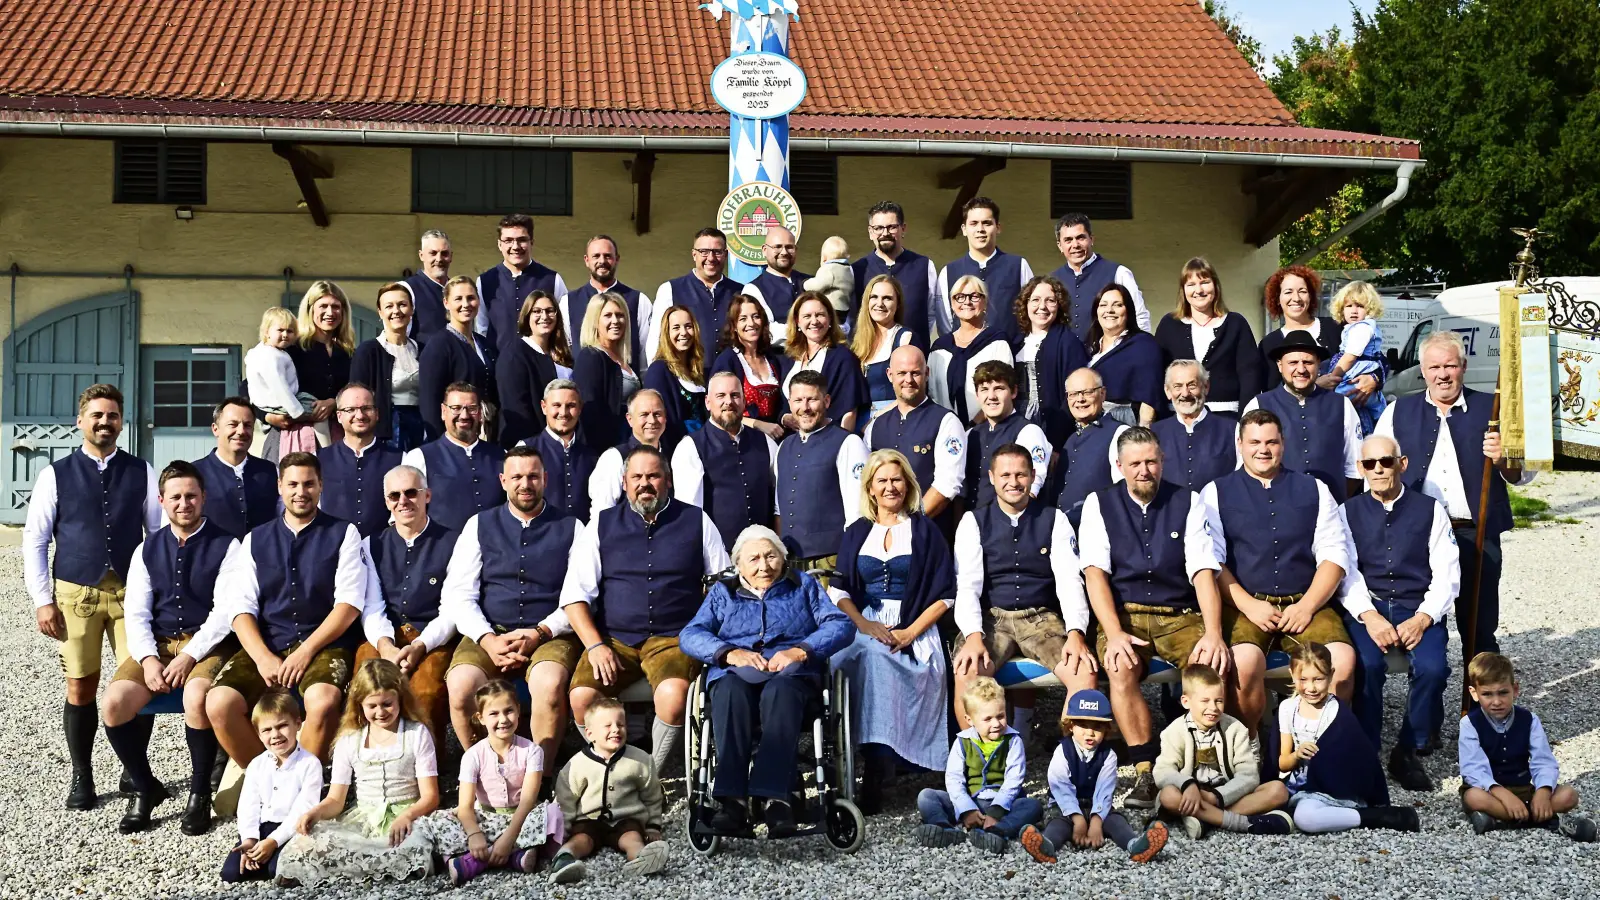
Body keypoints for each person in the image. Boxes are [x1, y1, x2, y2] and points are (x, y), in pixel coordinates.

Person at [23, 383, 161, 809]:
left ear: (122, 422)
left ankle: (132, 769)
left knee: (137, 685)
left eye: (113, 416)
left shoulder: (142, 470)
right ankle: (82, 776)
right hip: (74, 593)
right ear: (80, 421)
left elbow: (157, 536)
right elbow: (35, 540)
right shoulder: (55, 473)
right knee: (81, 687)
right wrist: (42, 599)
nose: (105, 422)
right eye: (97, 416)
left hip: (128, 594)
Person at [1079, 427, 1230, 810]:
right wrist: (1113, 634)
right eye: (1135, 464)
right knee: (1118, 666)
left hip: (1177, 612)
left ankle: (1200, 769)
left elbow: (1202, 572)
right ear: (1120, 466)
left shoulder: (1189, 501)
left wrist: (1212, 633)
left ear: (1162, 461)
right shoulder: (1099, 504)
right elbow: (1095, 574)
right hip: (1125, 612)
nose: (1143, 470)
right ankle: (1145, 768)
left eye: (1150, 461)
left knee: (1207, 667)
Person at [560, 445, 732, 777]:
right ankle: (612, 770)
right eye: (636, 477)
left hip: (674, 637)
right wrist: (595, 646)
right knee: (581, 696)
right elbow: (574, 597)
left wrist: (706, 632)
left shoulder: (697, 520)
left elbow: (722, 587)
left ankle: (647, 777)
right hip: (614, 640)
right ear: (624, 482)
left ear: (667, 480)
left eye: (653, 475)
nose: (645, 483)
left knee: (673, 695)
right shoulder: (601, 525)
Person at [680, 525, 856, 834]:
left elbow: (841, 625)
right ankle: (732, 801)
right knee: (729, 690)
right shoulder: (724, 593)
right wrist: (727, 653)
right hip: (736, 674)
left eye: (771, 556)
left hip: (791, 677)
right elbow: (691, 635)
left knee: (781, 691)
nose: (764, 565)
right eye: (754, 559)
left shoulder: (803, 586)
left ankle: (776, 799)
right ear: (739, 565)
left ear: (783, 558)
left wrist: (800, 651)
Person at [1375, 329, 1528, 671]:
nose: (1442, 374)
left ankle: (1480, 711)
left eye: (1450, 366)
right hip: (1419, 537)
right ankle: (1427, 716)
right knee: (1427, 628)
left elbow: (1523, 474)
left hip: (1477, 532)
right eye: (1434, 367)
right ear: (1422, 370)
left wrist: (1506, 458)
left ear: (1464, 366)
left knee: (1479, 627)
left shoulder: (1493, 407)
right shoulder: (1398, 412)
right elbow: (1377, 467)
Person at [203, 452, 368, 765]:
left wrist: (306, 651)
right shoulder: (256, 539)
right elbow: (240, 608)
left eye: (309, 484)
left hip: (324, 644)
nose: (300, 491)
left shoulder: (344, 533)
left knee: (322, 700)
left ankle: (306, 779)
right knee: (218, 702)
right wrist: (263, 656)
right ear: (280, 486)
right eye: (292, 484)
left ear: (321, 486)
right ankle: (266, 776)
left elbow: (349, 605)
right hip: (271, 641)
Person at [101, 461, 239, 834]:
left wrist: (191, 655)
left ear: (203, 497)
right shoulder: (146, 549)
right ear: (161, 500)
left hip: (207, 644)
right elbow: (136, 611)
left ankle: (198, 794)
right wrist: (147, 659)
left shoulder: (228, 545)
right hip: (158, 644)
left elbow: (225, 612)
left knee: (197, 695)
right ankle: (146, 788)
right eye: (175, 496)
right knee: (113, 703)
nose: (184, 503)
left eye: (191, 495)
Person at [1201, 409, 1356, 735]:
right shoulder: (1215, 493)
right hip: (1246, 603)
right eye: (1254, 442)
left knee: (1340, 660)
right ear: (1240, 444)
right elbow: (1212, 562)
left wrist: (1307, 606)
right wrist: (1248, 605)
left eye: (1271, 441)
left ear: (1283, 444)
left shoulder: (1315, 489)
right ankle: (1250, 745)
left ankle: (1320, 745)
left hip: (1304, 601)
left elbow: (1334, 556)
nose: (1263, 449)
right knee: (1243, 664)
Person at [441, 448, 584, 770]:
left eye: (533, 476)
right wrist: (487, 638)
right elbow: (458, 594)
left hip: (549, 632)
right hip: (490, 629)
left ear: (545, 479)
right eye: (517, 477)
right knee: (461, 685)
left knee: (548, 685)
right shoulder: (479, 524)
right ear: (503, 481)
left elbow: (580, 594)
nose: (525, 484)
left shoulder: (572, 527)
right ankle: (485, 770)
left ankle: (540, 777)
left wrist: (540, 632)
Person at [828, 450, 954, 807]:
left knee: (878, 657)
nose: (890, 487)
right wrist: (864, 623)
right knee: (858, 656)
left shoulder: (924, 531)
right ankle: (866, 756)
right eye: (881, 481)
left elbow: (946, 594)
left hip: (913, 623)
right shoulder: (857, 532)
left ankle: (878, 766)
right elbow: (838, 589)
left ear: (908, 484)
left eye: (896, 479)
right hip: (864, 622)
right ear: (870, 488)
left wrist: (910, 632)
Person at [952, 444, 1096, 738]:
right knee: (967, 673)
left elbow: (1070, 581)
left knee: (1084, 672)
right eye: (1005, 474)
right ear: (992, 477)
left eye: (1020, 474)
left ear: (1032, 475)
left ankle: (1070, 759)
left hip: (1040, 618)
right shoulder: (973, 522)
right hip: (992, 618)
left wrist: (1076, 633)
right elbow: (967, 585)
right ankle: (984, 765)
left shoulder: (1055, 519)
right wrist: (973, 636)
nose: (1013, 482)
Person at [1340, 435, 1458, 791]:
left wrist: (1423, 618)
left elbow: (1448, 573)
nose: (1378, 470)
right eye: (1369, 464)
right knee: (1367, 665)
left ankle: (1409, 747)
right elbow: (1345, 571)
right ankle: (1367, 747)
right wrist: (1368, 616)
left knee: (1433, 668)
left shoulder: (1431, 510)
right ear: (1360, 469)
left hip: (1416, 604)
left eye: (1385, 462)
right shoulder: (1347, 511)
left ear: (1401, 464)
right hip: (1369, 605)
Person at [274, 659, 440, 886]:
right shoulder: (349, 740)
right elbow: (335, 799)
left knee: (414, 846)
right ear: (359, 704)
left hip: (407, 816)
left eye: (387, 704)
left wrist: (408, 815)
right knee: (302, 846)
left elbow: (430, 796)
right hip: (363, 818)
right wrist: (316, 813)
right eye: (372, 706)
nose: (380, 712)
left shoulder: (416, 734)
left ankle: (377, 866)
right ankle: (375, 867)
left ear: (400, 699)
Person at [357, 465, 460, 743]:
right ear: (386, 502)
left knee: (425, 694)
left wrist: (420, 646)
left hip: (432, 639)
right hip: (385, 636)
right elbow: (372, 605)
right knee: (367, 689)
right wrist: (386, 646)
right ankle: (371, 763)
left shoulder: (454, 542)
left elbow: (452, 609)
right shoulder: (371, 544)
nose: (403, 501)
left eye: (411, 492)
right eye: (394, 496)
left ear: (427, 495)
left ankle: (428, 772)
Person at [1275, 642, 1419, 834]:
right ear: (1292, 675)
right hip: (1300, 785)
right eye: (1303, 679)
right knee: (1269, 798)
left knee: (1305, 819)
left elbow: (1358, 756)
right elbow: (1282, 763)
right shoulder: (1287, 708)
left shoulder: (1336, 712)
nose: (1311, 687)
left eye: (1318, 679)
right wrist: (1297, 755)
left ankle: (1379, 817)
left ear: (1331, 675)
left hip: (1334, 788)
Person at [1019, 690, 1169, 864]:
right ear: (1070, 726)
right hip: (1065, 807)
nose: (1089, 733)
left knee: (1116, 821)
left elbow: (1104, 791)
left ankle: (1135, 845)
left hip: (1096, 805)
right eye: (1083, 725)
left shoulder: (1109, 755)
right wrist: (1077, 819)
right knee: (1057, 824)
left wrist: (1096, 823)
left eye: (1097, 727)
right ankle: (1047, 846)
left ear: (1107, 729)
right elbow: (1060, 787)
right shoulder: (1062, 751)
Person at [1460, 653, 1598, 841]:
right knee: (1473, 797)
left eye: (1503, 692)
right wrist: (1500, 793)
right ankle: (1547, 820)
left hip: (1523, 789)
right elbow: (1472, 768)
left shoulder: (1529, 720)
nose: (1496, 701)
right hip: (1488, 791)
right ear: (1474, 693)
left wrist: (1543, 791)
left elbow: (1543, 761)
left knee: (1568, 795)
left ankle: (1504, 820)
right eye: (1487, 694)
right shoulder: (1469, 723)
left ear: (1515, 690)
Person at [434, 681, 560, 885]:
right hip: (485, 818)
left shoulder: (532, 751)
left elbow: (528, 801)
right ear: (481, 718)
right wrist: (474, 834)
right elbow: (465, 806)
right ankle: (514, 856)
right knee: (440, 820)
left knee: (554, 813)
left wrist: (508, 838)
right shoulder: (473, 755)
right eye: (494, 714)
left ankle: (475, 861)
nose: (503, 720)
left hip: (520, 818)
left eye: (509, 711)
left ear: (518, 711)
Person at [1153, 664, 1292, 838]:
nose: (1213, 707)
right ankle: (1238, 822)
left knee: (1278, 790)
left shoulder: (1235, 728)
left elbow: (1249, 775)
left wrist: (1216, 797)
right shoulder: (1173, 731)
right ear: (1186, 702)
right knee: (1168, 796)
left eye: (1219, 700)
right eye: (1205, 701)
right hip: (1190, 794)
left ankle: (1204, 819)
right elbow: (1162, 771)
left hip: (1226, 794)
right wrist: (1188, 784)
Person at [913, 676, 1041, 854]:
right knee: (926, 796)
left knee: (1033, 806)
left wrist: (995, 813)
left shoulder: (1013, 741)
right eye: (987, 719)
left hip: (1002, 803)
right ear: (970, 719)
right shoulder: (963, 742)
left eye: (1001, 716)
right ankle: (943, 829)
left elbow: (1014, 780)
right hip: (970, 798)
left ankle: (998, 831)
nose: (996, 724)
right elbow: (954, 779)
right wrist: (967, 810)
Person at [548, 699, 668, 883]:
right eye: (607, 726)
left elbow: (652, 795)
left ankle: (641, 859)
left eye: (621, 724)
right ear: (590, 734)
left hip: (625, 819)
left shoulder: (641, 760)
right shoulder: (577, 765)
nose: (616, 729)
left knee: (633, 838)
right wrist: (563, 832)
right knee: (582, 840)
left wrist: (653, 825)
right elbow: (566, 801)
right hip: (589, 819)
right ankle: (564, 859)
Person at [1246, 330, 1362, 501]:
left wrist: (1334, 503)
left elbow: (1355, 466)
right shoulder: (1258, 405)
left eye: (1308, 362)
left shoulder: (1341, 405)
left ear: (1318, 365)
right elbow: (1246, 464)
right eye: (1293, 362)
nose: (1301, 369)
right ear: (1280, 365)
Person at [221, 692, 322, 883]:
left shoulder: (310, 764)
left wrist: (273, 841)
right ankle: (264, 858)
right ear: (258, 734)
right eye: (267, 730)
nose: (275, 735)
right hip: (261, 829)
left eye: (282, 726)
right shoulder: (257, 765)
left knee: (278, 870)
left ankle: (283, 863)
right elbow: (248, 805)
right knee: (231, 873)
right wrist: (249, 840)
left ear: (298, 724)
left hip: (293, 830)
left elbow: (303, 809)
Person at [671, 371, 779, 550]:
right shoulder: (690, 447)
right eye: (720, 396)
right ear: (708, 402)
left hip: (764, 555)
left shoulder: (766, 443)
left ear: (744, 401)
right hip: (718, 555)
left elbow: (778, 503)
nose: (728, 402)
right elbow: (690, 513)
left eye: (735, 395)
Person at [862, 345, 966, 523]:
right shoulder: (875, 426)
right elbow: (866, 482)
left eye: (915, 373)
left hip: (928, 530)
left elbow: (947, 484)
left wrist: (911, 523)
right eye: (901, 373)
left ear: (927, 373)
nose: (908, 380)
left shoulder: (946, 421)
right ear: (889, 375)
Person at [775, 370, 865, 570]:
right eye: (798, 400)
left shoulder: (849, 442)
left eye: (812, 399)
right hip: (790, 563)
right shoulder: (783, 447)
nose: (804, 407)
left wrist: (847, 562)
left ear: (826, 401)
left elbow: (858, 513)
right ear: (790, 403)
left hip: (831, 561)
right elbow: (779, 509)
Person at [1152, 258, 1261, 417]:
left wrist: (1245, 420)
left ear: (1215, 286)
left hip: (1227, 418)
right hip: (1179, 418)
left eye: (1204, 282)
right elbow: (1158, 374)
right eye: (1191, 285)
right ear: (1183, 290)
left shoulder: (1236, 324)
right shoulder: (1169, 325)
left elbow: (1250, 376)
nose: (1199, 290)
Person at [1258, 265, 1381, 405]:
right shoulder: (1269, 344)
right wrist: (1314, 387)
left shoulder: (1336, 327)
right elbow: (1271, 392)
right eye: (1288, 292)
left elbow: (1376, 356)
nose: (1296, 298)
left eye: (1302, 291)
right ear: (1277, 299)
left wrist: (1375, 378)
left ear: (1310, 296)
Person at [403, 383, 507, 532]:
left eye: (471, 408)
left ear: (479, 413)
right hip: (444, 551)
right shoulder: (419, 457)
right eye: (456, 408)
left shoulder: (502, 456)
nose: (464, 416)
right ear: (443, 411)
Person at [937, 197, 1033, 339]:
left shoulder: (1018, 266)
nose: (980, 229)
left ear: (998, 227)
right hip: (964, 354)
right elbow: (944, 321)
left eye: (987, 223)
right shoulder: (949, 272)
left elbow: (1031, 312)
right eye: (974, 223)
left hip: (1010, 354)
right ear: (964, 229)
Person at [317, 383, 404, 538]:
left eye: (366, 408)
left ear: (377, 414)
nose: (359, 415)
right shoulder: (318, 460)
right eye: (350, 410)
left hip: (383, 552)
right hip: (333, 552)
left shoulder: (401, 459)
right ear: (339, 416)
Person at [648, 227, 748, 361]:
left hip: (731, 376)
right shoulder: (669, 290)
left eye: (717, 252)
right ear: (694, 254)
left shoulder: (741, 292)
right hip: (687, 376)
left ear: (726, 255)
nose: (711, 258)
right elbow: (656, 339)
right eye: (704, 252)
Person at [419, 276, 499, 443]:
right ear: (446, 303)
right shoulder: (438, 345)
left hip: (486, 432)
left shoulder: (484, 344)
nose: (466, 304)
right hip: (455, 435)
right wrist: (442, 444)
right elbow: (430, 403)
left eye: (471, 298)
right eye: (458, 299)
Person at [280, 281, 356, 456]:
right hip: (295, 435)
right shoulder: (291, 349)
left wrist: (335, 402)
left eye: (336, 307)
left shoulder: (349, 353)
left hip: (338, 435)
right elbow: (252, 385)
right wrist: (268, 417)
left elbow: (360, 388)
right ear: (310, 309)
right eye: (323, 306)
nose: (330, 312)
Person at [477, 213, 567, 356]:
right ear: (499, 244)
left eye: (522, 240)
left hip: (542, 366)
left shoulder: (552, 279)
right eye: (508, 240)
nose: (515, 246)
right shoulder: (485, 281)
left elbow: (563, 328)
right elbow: (481, 328)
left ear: (532, 242)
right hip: (499, 367)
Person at [1050, 213, 1151, 341]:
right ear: (1060, 246)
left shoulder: (1119, 273)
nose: (1075, 245)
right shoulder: (1052, 280)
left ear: (1091, 239)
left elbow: (1140, 316)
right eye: (1068, 240)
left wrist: (1140, 349)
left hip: (1109, 356)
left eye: (1081, 238)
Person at [963, 361, 1050, 509]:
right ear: (977, 395)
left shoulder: (1029, 431)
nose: (991, 396)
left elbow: (1031, 489)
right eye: (984, 389)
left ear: (1014, 392)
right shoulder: (971, 434)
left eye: (999, 388)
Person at [351, 283, 426, 452]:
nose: (396, 311)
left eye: (402, 304)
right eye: (389, 306)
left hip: (422, 429)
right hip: (387, 432)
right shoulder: (368, 351)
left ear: (412, 309)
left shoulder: (423, 349)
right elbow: (356, 398)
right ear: (380, 312)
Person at [850, 200, 940, 343]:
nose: (885, 233)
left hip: (914, 355)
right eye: (878, 228)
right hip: (870, 355)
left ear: (903, 228)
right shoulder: (856, 270)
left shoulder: (924, 266)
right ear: (870, 231)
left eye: (891, 227)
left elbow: (932, 314)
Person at [928, 275, 1013, 425]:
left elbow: (1002, 392)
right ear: (952, 304)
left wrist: (974, 425)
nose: (967, 302)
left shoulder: (997, 342)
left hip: (988, 427)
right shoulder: (939, 348)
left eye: (974, 296)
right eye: (960, 297)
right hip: (947, 430)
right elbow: (933, 394)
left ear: (984, 302)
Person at [496, 290, 575, 448]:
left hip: (562, 442)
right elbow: (516, 406)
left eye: (549, 311)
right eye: (537, 311)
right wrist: (536, 445)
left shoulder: (561, 353)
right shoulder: (515, 353)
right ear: (527, 316)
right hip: (529, 445)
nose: (544, 317)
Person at [193, 397, 280, 539]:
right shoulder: (194, 474)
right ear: (215, 429)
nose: (241, 431)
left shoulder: (270, 471)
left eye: (247, 425)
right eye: (233, 425)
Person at [783, 292, 869, 433]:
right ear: (798, 322)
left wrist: (838, 445)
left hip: (827, 440)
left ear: (830, 319)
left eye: (820, 315)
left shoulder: (843, 357)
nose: (814, 321)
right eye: (807, 316)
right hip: (792, 442)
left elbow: (849, 411)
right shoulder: (790, 359)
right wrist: (784, 417)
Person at [710, 296, 793, 441]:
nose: (751, 323)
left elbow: (781, 401)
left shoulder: (772, 358)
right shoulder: (727, 360)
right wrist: (757, 424)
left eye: (756, 317)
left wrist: (785, 417)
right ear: (734, 326)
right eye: (743, 319)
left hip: (776, 436)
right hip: (740, 437)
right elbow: (717, 410)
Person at [1052, 367, 1128, 526]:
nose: (1080, 399)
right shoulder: (1070, 440)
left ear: (1103, 393)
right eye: (1073, 394)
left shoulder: (1120, 434)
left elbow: (1125, 495)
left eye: (1087, 392)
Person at [1011, 274, 1089, 423]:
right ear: (1025, 304)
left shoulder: (1068, 342)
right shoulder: (1016, 343)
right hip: (1017, 422)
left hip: (1052, 423)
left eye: (1050, 300)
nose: (1042, 307)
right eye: (1035, 300)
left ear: (1059, 305)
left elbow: (1076, 391)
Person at [561, 235, 647, 370]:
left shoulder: (638, 301)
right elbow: (565, 351)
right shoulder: (568, 302)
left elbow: (644, 352)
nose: (602, 261)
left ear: (617, 259)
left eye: (607, 256)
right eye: (596, 256)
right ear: (586, 260)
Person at [247, 306, 323, 455]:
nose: (285, 335)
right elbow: (279, 387)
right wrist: (297, 412)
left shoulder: (261, 352)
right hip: (282, 404)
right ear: (266, 332)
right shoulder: (271, 357)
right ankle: (327, 449)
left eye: (290, 331)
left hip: (270, 404)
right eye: (280, 330)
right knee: (320, 411)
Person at [1151, 361, 1236, 490]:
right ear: (1167, 391)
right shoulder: (1154, 433)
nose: (1185, 394)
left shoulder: (1232, 429)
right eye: (1178, 386)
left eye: (1192, 385)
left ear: (1206, 387)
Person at [849, 274, 922, 423]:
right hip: (859, 420)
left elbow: (913, 390)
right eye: (874, 297)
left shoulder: (905, 338)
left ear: (898, 304)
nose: (879, 303)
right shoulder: (857, 343)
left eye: (887, 298)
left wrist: (875, 419)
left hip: (893, 418)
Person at [1087, 284, 1163, 426]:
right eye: (1103, 305)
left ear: (1128, 311)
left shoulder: (1143, 345)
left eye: (1118, 305)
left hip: (1123, 422)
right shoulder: (1089, 346)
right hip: (1089, 421)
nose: (1109, 310)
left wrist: (1143, 432)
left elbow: (1150, 397)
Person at [573, 291, 641, 452]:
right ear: (595, 321)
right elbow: (589, 413)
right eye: (608, 315)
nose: (615, 321)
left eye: (619, 315)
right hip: (605, 449)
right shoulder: (590, 357)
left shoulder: (625, 360)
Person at [1319, 281, 1389, 434]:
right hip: (1358, 377)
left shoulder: (1362, 328)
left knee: (1334, 401)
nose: (1354, 311)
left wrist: (1333, 377)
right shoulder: (1355, 328)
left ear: (1370, 309)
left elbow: (1350, 356)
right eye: (1349, 306)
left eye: (1360, 306)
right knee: (1375, 409)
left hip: (1355, 375)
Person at [586, 389, 671, 514]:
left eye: (657, 414)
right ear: (629, 419)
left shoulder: (673, 456)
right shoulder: (614, 458)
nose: (652, 421)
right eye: (644, 414)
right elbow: (602, 513)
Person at [524, 379, 598, 521]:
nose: (563, 413)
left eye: (570, 406)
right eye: (556, 405)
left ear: (580, 408)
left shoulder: (592, 456)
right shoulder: (525, 449)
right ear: (544, 407)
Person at [643, 305, 708, 437]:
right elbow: (661, 423)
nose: (683, 332)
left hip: (706, 446)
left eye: (688, 326)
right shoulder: (659, 370)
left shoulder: (698, 370)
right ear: (666, 333)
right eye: (676, 328)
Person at [743, 225, 812, 342]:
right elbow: (767, 330)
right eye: (778, 247)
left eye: (789, 247)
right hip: (779, 358)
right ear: (765, 250)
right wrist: (811, 330)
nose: (784, 252)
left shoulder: (811, 282)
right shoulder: (753, 289)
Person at [401, 229, 452, 340]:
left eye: (444, 253)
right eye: (433, 253)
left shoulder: (458, 290)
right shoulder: (408, 289)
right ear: (421, 255)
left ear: (451, 256)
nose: (439, 259)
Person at [803, 235, 854, 324]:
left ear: (824, 258)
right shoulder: (848, 269)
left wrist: (805, 283)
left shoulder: (829, 269)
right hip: (844, 308)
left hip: (831, 308)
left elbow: (818, 285)